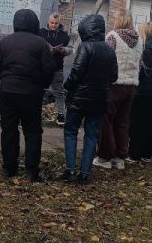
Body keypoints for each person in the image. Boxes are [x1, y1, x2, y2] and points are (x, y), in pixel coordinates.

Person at [0, 9, 57, 182]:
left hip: (7, 91)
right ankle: (31, 171)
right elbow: (49, 69)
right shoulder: (40, 43)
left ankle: (9, 168)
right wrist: (41, 85)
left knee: (8, 130)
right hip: (31, 93)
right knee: (33, 131)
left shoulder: (5, 41)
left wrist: (6, 80)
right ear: (34, 23)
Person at [59, 14, 118, 184]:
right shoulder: (109, 50)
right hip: (99, 100)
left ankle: (70, 170)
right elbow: (114, 77)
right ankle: (85, 173)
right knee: (91, 136)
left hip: (78, 99)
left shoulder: (85, 46)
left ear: (85, 29)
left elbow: (76, 73)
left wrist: (66, 86)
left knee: (70, 132)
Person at [95, 9, 142, 171]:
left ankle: (105, 157)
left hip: (114, 85)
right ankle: (120, 157)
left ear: (119, 20)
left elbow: (106, 60)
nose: (113, 20)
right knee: (122, 122)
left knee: (106, 122)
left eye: (114, 18)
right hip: (131, 86)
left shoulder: (112, 37)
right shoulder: (139, 39)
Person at [128, 22, 152, 163]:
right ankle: (148, 153)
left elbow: (141, 72)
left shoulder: (144, 49)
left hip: (142, 91)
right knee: (151, 122)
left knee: (137, 123)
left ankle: (135, 153)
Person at [39, 13, 72, 126]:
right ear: (48, 21)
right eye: (52, 23)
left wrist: (63, 50)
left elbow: (71, 50)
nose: (53, 25)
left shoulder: (65, 35)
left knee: (59, 93)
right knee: (39, 91)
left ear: (59, 23)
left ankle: (61, 115)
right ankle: (35, 112)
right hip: (42, 68)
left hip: (57, 68)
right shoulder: (40, 33)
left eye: (56, 23)